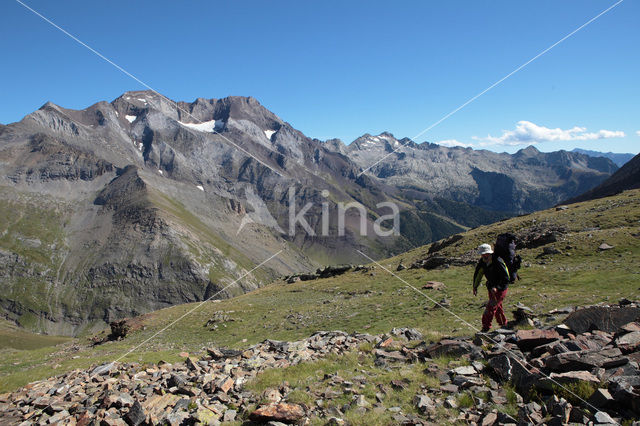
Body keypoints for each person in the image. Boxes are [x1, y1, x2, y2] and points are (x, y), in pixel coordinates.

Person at [472, 243, 510, 332]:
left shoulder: (498, 261)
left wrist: (498, 287)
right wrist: (475, 287)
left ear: (490, 253)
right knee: (497, 306)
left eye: (486, 254)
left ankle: (485, 327)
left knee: (491, 306)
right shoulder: (482, 262)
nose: (484, 256)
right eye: (482, 254)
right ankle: (504, 325)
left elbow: (506, 278)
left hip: (501, 288)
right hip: (491, 287)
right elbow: (478, 274)